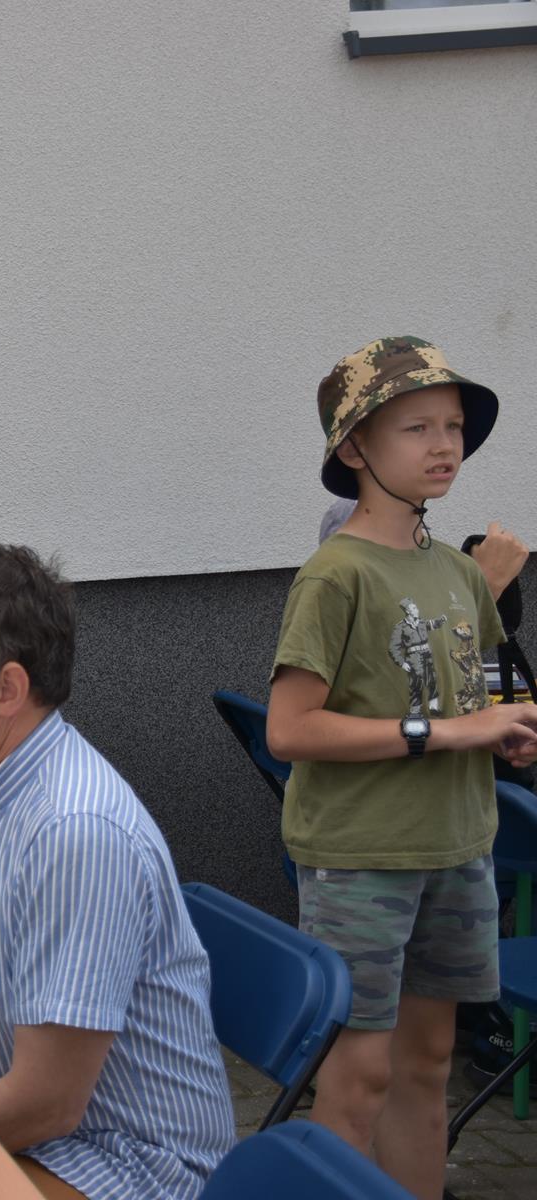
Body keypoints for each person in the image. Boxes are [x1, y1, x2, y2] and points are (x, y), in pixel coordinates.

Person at [0, 545, 234, 1200]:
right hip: (17, 1130)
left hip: (121, 1164)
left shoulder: (74, 834)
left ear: (6, 690)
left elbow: (46, 1103)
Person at [266, 335, 537, 1198]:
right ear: (354, 449)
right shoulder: (334, 575)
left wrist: (502, 733)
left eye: (452, 426)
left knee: (426, 1068)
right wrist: (442, 735)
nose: (444, 445)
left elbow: (463, 697)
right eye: (416, 427)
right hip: (362, 858)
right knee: (357, 1079)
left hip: (457, 849)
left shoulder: (458, 573)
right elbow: (290, 730)